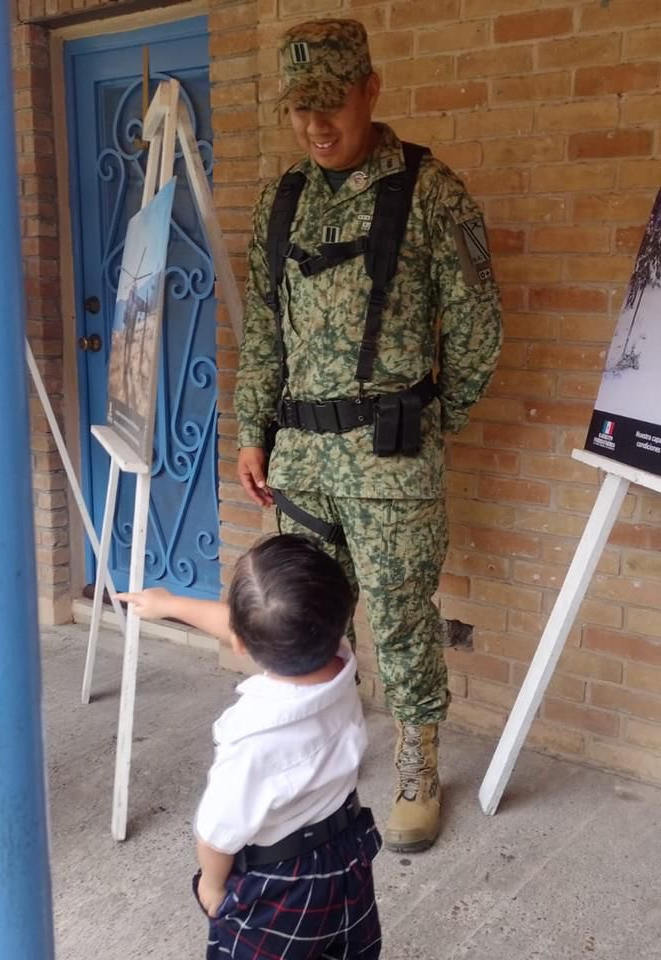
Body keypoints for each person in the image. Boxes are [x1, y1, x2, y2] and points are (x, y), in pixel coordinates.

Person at [234, 17, 503, 853]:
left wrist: (432, 420)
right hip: (301, 460)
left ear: (371, 89)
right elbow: (264, 333)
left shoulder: (430, 192)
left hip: (391, 461)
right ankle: (320, 754)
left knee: (399, 616)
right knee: (306, 622)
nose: (317, 125)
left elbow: (478, 326)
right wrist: (252, 430)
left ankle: (417, 764)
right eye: (300, 108)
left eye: (332, 102)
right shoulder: (281, 203)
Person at [119, 534, 382, 960]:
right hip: (349, 859)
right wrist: (171, 604)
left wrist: (212, 885)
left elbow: (216, 834)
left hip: (282, 888)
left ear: (239, 643)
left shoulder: (253, 736)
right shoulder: (339, 661)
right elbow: (262, 624)